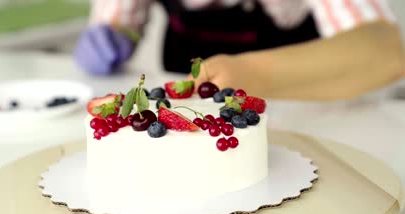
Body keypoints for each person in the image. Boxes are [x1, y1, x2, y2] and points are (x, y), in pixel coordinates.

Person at [75, 0, 403, 100]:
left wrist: (255, 74)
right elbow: (120, 21)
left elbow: (385, 50)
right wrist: (112, 37)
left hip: (304, 112)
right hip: (186, 121)